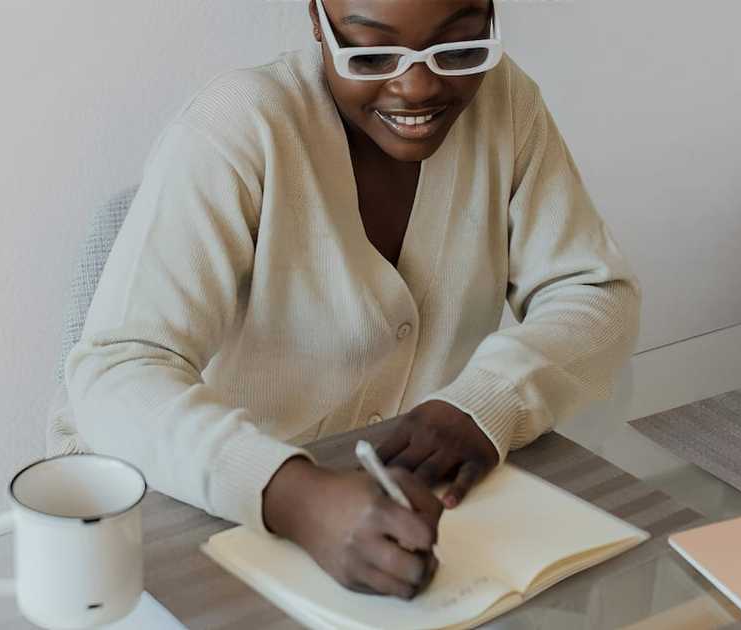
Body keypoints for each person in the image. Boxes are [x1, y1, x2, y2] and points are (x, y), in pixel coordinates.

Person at [60, 0, 641, 601]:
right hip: (198, 525)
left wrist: (487, 399)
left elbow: (595, 293)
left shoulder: (506, 102)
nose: (416, 86)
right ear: (318, 19)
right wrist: (294, 496)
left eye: (458, 45)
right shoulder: (239, 126)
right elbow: (115, 372)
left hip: (420, 530)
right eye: (371, 53)